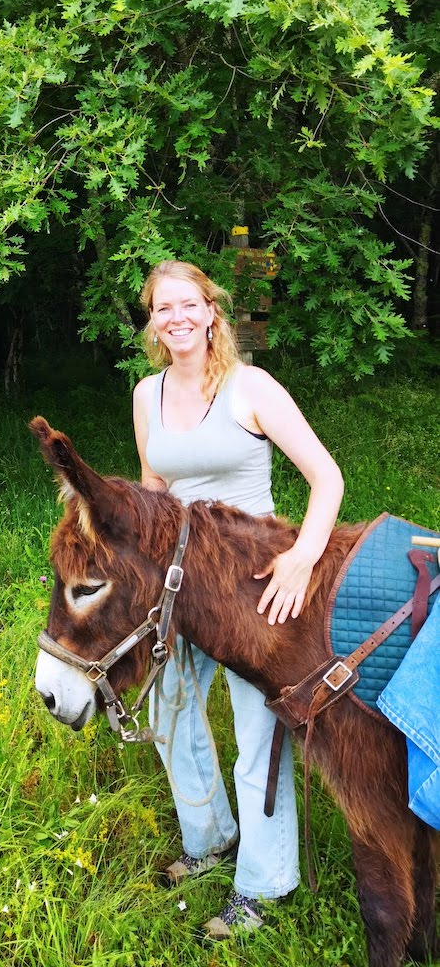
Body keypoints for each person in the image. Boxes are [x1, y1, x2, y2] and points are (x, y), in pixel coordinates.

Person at [132, 259, 344, 937]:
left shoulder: (249, 387)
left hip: (253, 586)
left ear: (211, 312)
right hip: (178, 587)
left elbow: (326, 477)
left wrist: (302, 558)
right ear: (153, 322)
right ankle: (211, 839)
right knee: (168, 709)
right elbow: (154, 493)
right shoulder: (147, 395)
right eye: (164, 308)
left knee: (259, 736)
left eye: (188, 304)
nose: (178, 318)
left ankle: (263, 883)